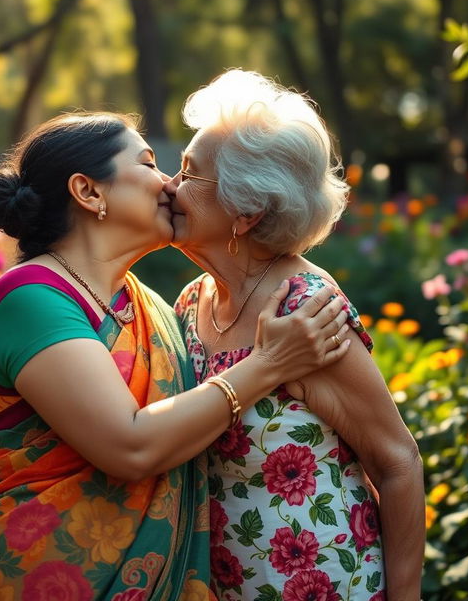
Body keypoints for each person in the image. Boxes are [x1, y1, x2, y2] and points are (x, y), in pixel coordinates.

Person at [0, 112, 352, 600]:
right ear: (89, 192)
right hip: (47, 577)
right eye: (148, 163)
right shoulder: (33, 298)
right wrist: (270, 364)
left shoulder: (150, 307)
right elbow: (130, 447)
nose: (170, 183)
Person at [168, 70, 425, 601]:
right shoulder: (191, 302)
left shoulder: (305, 306)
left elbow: (397, 462)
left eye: (190, 175)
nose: (169, 186)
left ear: (247, 210)